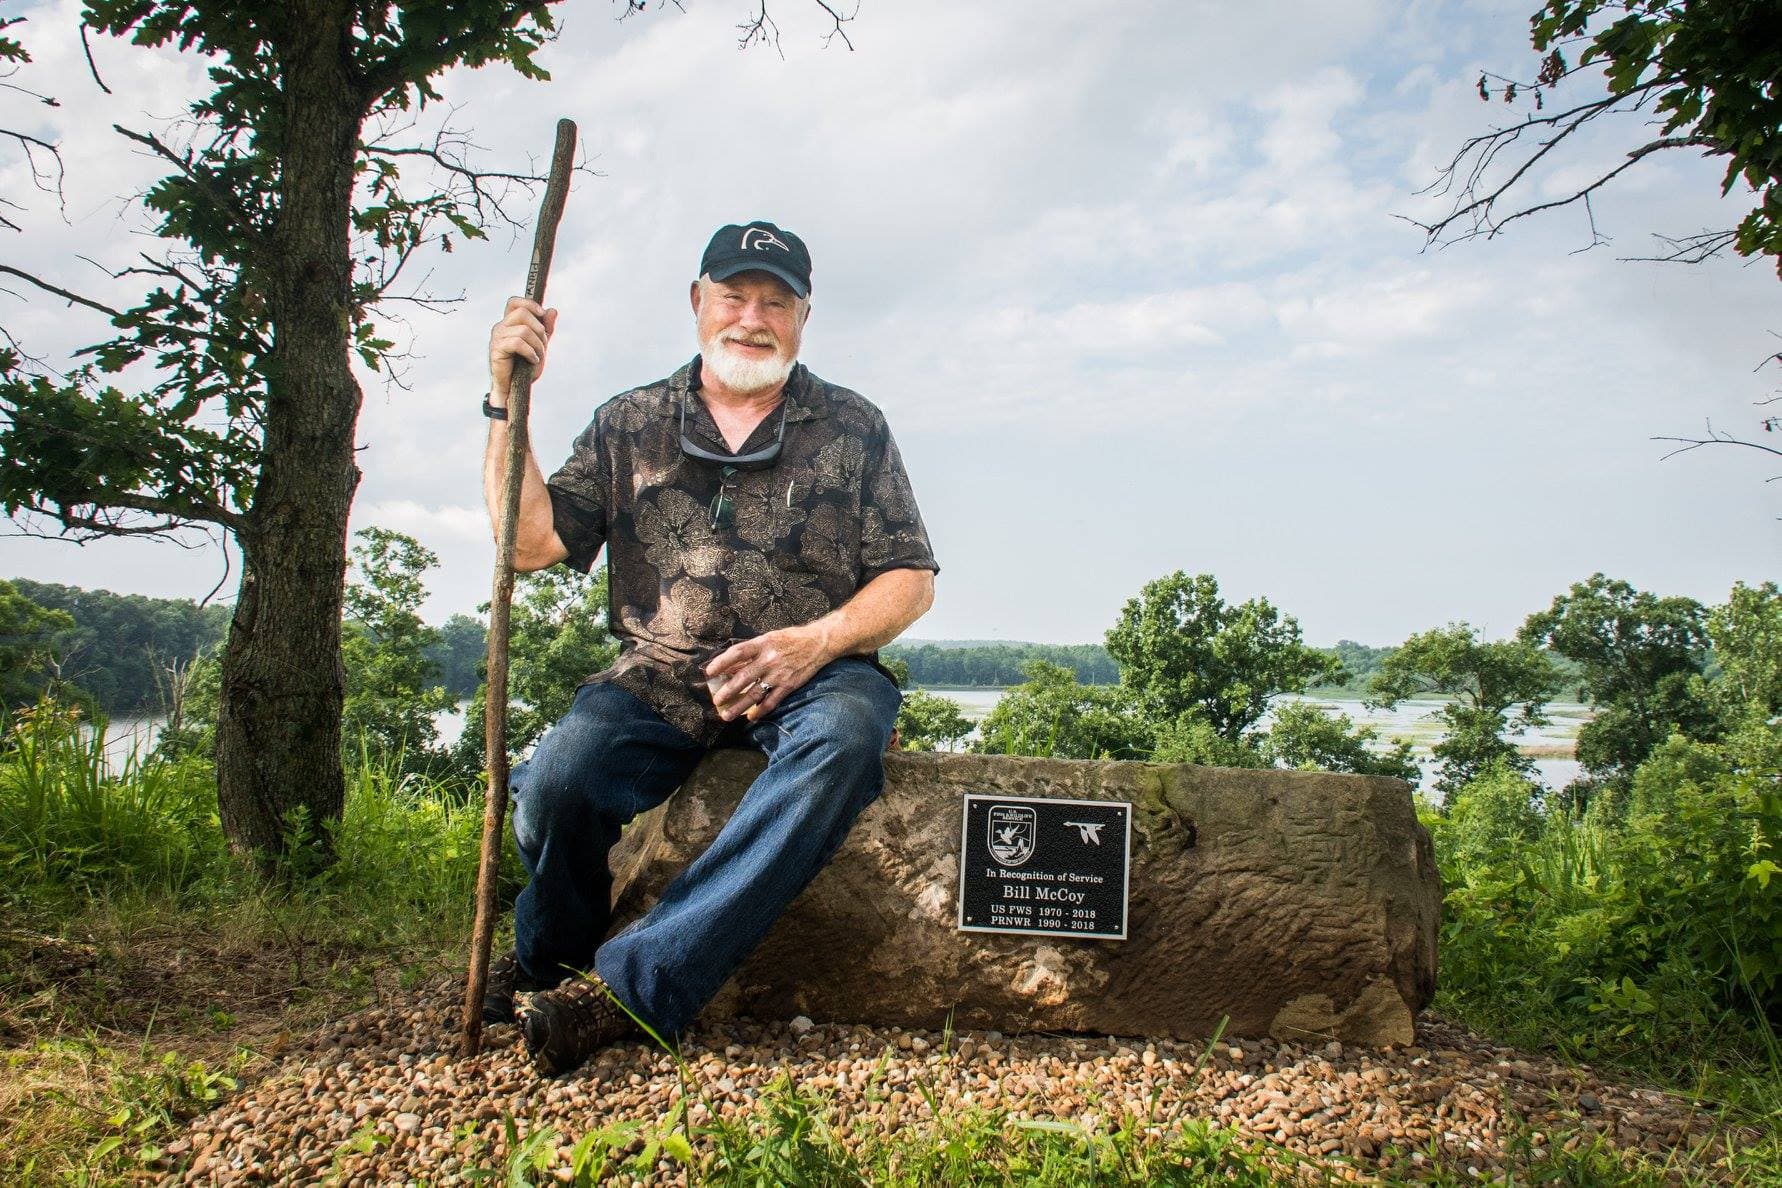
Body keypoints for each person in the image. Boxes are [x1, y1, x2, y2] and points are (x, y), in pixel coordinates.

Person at [479, 220, 938, 1074]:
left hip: (816, 672)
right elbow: (529, 541)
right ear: (698, 303)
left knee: (844, 745)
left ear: (804, 318)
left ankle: (630, 987)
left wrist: (817, 642)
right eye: (733, 295)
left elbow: (910, 578)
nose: (751, 317)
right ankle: (550, 963)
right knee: (558, 783)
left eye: (776, 301)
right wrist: (507, 397)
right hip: (658, 670)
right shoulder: (630, 422)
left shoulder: (853, 425)